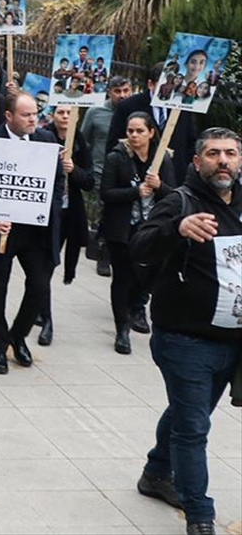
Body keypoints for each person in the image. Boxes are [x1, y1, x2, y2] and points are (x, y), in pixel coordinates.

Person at [131, 127, 241, 535]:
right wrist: (175, 229)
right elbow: (138, 246)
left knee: (186, 414)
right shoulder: (181, 201)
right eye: (213, 154)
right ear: (197, 162)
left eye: (230, 153)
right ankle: (200, 516)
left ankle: (156, 472)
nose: (223, 161)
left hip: (233, 340)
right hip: (185, 340)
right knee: (193, 429)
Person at [0, 91, 64, 375]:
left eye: (35, 113)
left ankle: (18, 335)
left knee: (39, 285)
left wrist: (47, 208)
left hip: (35, 232)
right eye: (26, 114)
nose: (33, 118)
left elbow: (57, 183)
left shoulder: (46, 141)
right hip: (1, 232)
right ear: (9, 116)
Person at [101, 112, 176, 353]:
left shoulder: (162, 159)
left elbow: (174, 196)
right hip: (122, 229)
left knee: (147, 275)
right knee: (122, 278)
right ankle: (122, 328)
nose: (134, 136)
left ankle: (138, 307)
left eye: (139, 131)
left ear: (151, 133)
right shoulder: (117, 157)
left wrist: (159, 186)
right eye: (130, 131)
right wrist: (135, 192)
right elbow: (106, 193)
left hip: (153, 229)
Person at [39, 104, 94, 344]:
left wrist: (74, 170)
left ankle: (40, 310)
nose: (64, 117)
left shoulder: (82, 144)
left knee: (50, 264)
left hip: (69, 214)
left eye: (69, 113)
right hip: (45, 213)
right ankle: (45, 317)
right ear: (52, 115)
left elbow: (90, 182)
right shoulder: (42, 138)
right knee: (43, 267)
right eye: (60, 112)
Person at [108, 62, 198, 184]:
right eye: (166, 83)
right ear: (151, 84)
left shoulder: (182, 107)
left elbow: (190, 142)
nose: (170, 88)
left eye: (174, 84)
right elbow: (114, 142)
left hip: (175, 177)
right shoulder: (128, 106)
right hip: (137, 178)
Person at [82, 76, 134, 277]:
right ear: (109, 92)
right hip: (100, 172)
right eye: (117, 91)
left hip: (127, 175)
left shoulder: (134, 113)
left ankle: (113, 253)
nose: (122, 96)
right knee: (105, 213)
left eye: (126, 91)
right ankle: (103, 254)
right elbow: (84, 141)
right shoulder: (96, 112)